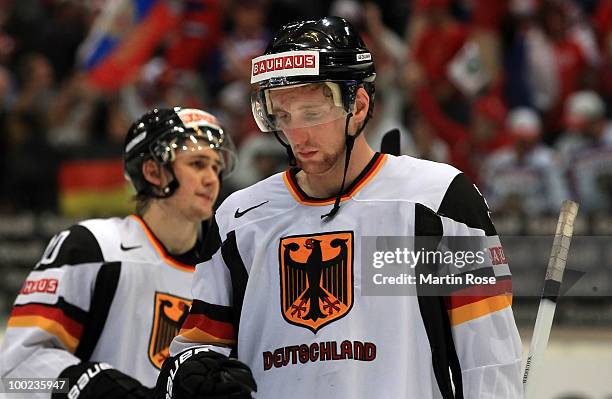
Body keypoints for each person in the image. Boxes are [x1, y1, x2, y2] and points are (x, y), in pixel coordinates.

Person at [156, 17, 522, 399]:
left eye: (313, 114)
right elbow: (197, 352)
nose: (297, 134)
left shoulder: (438, 201)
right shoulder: (239, 220)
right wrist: (190, 371)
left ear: (359, 105)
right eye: (283, 116)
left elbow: (489, 357)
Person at [0, 107, 237, 398]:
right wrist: (86, 387)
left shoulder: (222, 269)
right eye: (198, 164)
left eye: (216, 167)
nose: (212, 179)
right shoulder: (93, 247)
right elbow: (14, 377)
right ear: (152, 171)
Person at [481, 107, 568, 215]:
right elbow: (485, 201)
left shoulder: (549, 160)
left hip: (540, 222)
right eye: (521, 139)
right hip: (502, 222)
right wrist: (501, 205)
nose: (525, 144)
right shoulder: (496, 162)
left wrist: (528, 206)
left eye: (529, 139)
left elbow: (559, 200)